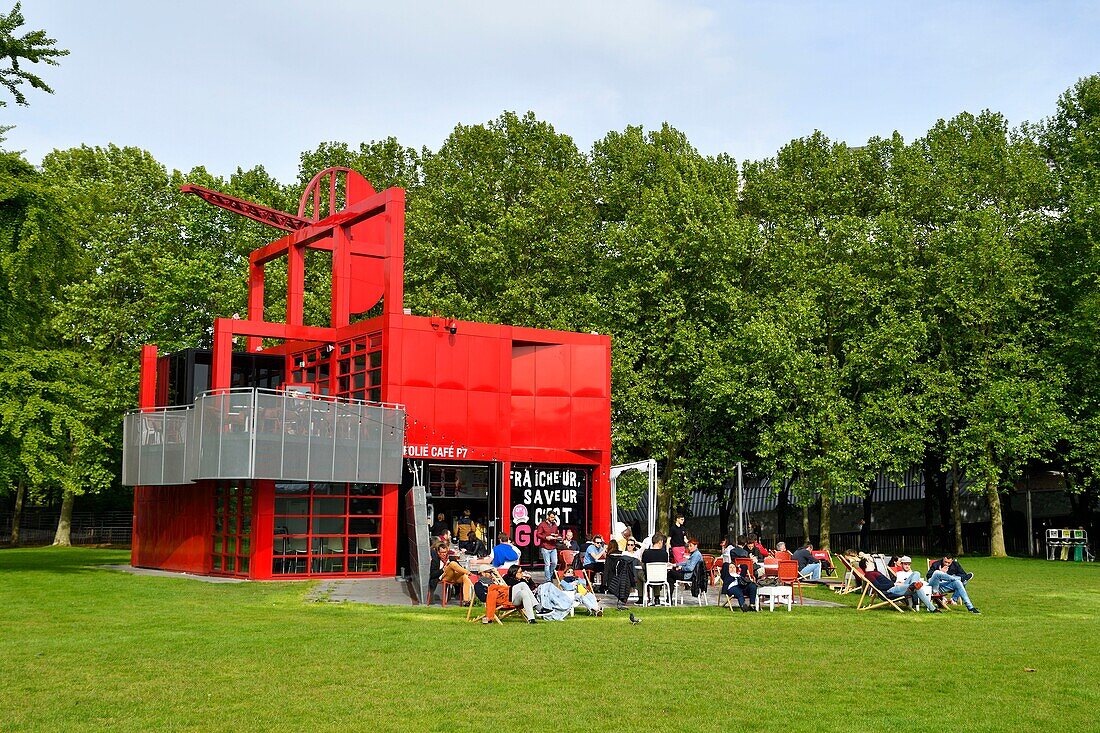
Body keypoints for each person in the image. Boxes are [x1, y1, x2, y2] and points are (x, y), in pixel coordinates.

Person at [860, 557, 938, 612]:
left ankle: (913, 585)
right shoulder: (869, 574)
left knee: (916, 573)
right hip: (891, 590)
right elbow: (879, 587)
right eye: (870, 561)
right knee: (918, 588)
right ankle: (933, 609)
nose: (873, 562)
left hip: (897, 586)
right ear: (866, 563)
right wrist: (894, 584)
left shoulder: (873, 572)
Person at [640, 532, 671, 604]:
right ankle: (657, 598)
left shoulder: (646, 553)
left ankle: (641, 597)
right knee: (657, 573)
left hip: (649, 578)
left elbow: (643, 564)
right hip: (662, 578)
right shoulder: (664, 554)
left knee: (639, 574)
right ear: (660, 542)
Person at [535, 511, 562, 583]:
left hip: (553, 546)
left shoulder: (555, 525)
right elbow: (538, 534)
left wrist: (556, 536)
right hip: (545, 546)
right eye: (551, 517)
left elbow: (556, 533)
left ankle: (549, 575)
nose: (553, 519)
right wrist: (546, 537)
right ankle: (548, 579)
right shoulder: (542, 524)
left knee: (554, 563)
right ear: (548, 516)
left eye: (554, 517)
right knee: (547, 564)